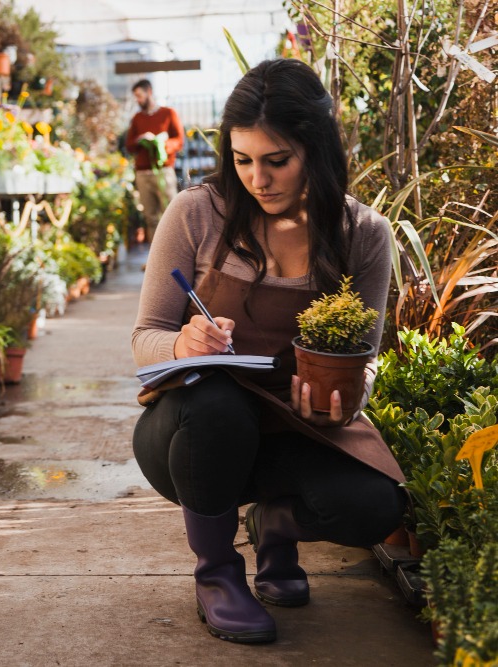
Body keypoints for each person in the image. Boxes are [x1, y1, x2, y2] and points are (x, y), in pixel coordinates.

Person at [130, 59, 406, 645]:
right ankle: (218, 576)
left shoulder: (363, 235)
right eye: (242, 160)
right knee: (218, 403)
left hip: (298, 428)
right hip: (192, 431)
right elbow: (144, 338)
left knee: (376, 505)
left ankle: (272, 522)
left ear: (316, 149)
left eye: (277, 160)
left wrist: (346, 399)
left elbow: (368, 356)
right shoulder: (196, 214)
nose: (258, 178)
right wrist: (182, 342)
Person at [125, 79, 184, 244]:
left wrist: (161, 143)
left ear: (149, 92)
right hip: (143, 173)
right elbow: (129, 145)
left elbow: (179, 140)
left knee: (171, 215)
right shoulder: (137, 118)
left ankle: (177, 255)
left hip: (164, 170)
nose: (138, 100)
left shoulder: (168, 113)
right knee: (151, 218)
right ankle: (155, 261)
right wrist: (140, 140)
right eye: (135, 97)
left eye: (139, 95)